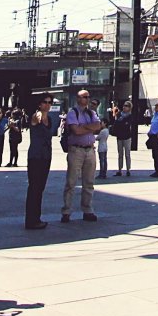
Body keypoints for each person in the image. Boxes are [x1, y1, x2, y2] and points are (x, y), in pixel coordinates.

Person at [60, 89, 102, 222]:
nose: (87, 99)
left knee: (89, 182)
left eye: (88, 97)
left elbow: (98, 126)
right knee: (71, 182)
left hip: (90, 150)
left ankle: (87, 210)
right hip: (76, 150)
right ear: (78, 99)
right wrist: (89, 127)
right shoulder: (73, 113)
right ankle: (66, 211)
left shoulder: (92, 113)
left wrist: (84, 127)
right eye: (85, 97)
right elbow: (76, 130)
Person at [24, 98, 54, 229]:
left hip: (46, 156)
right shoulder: (36, 116)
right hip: (35, 156)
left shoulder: (50, 119)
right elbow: (35, 120)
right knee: (34, 188)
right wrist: (38, 117)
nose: (47, 104)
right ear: (39, 104)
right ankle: (31, 220)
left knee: (40, 188)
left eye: (49, 102)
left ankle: (36, 218)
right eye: (45, 102)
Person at [112, 101, 137, 177]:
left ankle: (128, 170)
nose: (124, 107)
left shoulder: (130, 116)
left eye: (126, 106)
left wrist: (121, 121)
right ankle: (119, 169)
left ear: (130, 108)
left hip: (127, 137)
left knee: (127, 154)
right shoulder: (119, 114)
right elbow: (116, 123)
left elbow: (127, 124)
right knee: (120, 154)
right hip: (119, 136)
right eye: (124, 105)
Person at [96, 104, 112, 179]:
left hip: (101, 147)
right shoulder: (107, 130)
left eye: (101, 123)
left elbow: (98, 138)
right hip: (105, 146)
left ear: (105, 123)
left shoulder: (103, 131)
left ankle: (102, 173)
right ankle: (104, 172)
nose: (100, 124)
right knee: (104, 160)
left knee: (102, 160)